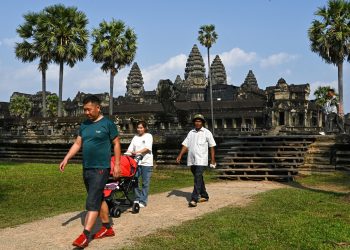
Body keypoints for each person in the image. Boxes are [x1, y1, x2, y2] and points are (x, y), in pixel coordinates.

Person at [59, 95, 121, 248]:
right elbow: (77, 143)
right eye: (84, 109)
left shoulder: (108, 124)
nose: (86, 112)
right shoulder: (84, 125)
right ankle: (107, 228)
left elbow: (116, 143)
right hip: (87, 167)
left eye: (89, 109)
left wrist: (117, 164)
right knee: (98, 198)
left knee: (92, 200)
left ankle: (85, 235)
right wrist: (66, 158)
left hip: (101, 168)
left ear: (98, 108)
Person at [176, 114, 216, 207]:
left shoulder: (207, 133)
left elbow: (212, 146)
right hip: (192, 159)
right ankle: (205, 195)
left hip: (201, 159)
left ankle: (194, 199)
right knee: (199, 178)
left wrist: (213, 159)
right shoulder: (191, 133)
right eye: (196, 121)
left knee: (197, 177)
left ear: (202, 122)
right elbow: (185, 145)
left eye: (199, 121)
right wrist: (180, 155)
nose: (197, 123)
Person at [126, 121, 153, 208]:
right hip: (136, 163)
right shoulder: (135, 137)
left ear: (145, 128)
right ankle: (137, 198)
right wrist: (126, 154)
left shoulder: (148, 136)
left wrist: (137, 152)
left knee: (145, 183)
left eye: (141, 127)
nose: (139, 129)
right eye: (138, 127)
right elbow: (130, 149)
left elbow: (147, 148)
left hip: (146, 163)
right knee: (134, 180)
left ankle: (143, 201)